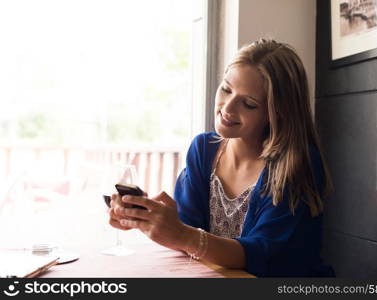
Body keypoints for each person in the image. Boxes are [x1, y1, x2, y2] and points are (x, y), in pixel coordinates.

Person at [108, 38, 334, 277]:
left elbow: (259, 255)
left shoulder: (295, 165)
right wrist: (148, 218)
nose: (227, 108)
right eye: (226, 89)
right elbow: (189, 238)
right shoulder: (204, 150)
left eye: (248, 104)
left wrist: (182, 233)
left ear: (275, 112)